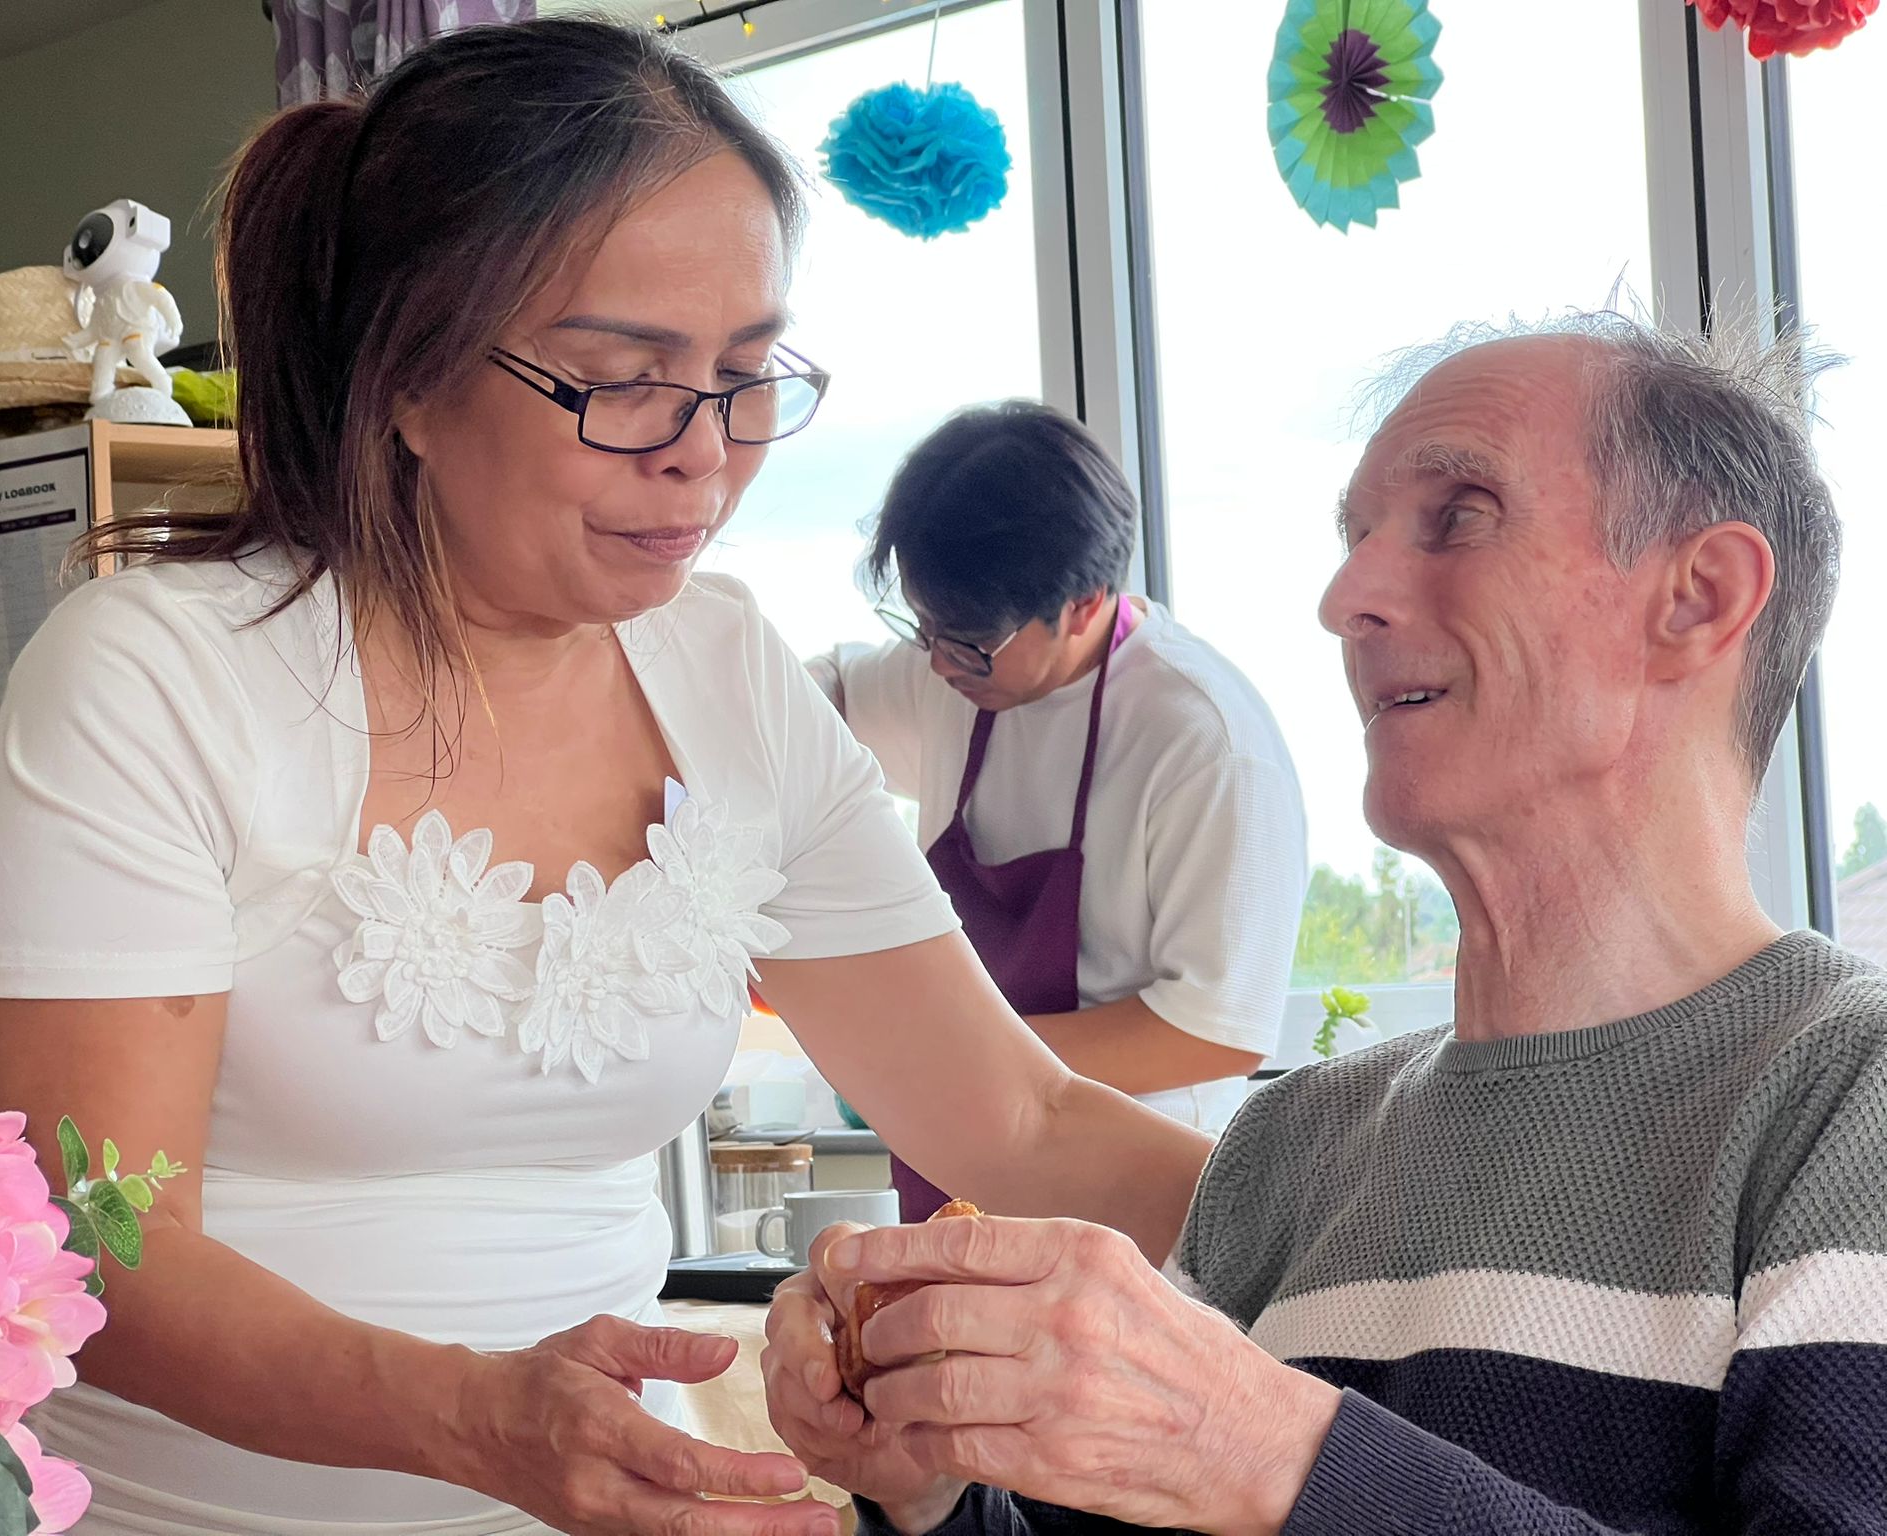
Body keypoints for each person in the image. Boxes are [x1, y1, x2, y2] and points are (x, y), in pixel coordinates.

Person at [0, 21, 1209, 1536]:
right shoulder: (156, 679)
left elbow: (1017, 1120)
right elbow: (105, 1243)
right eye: (627, 379)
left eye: (748, 378)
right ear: (405, 378)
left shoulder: (728, 671)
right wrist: (476, 1418)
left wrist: (1397, 1217)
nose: (706, 457)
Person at [760, 315, 1887, 1535]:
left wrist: (1270, 1452)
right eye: (1352, 538)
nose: (1343, 598)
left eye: (1456, 515)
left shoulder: (1845, 1104)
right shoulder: (1291, 1148)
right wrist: (921, 1489)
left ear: (1698, 598)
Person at [807, 404, 1305, 1214]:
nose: (934, 663)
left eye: (966, 641)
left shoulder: (1203, 739)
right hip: (957, 1176)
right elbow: (824, 697)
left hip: (1124, 1210)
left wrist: (939, 1056)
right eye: (921, 626)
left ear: (1084, 603)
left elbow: (1217, 1027)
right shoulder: (954, 673)